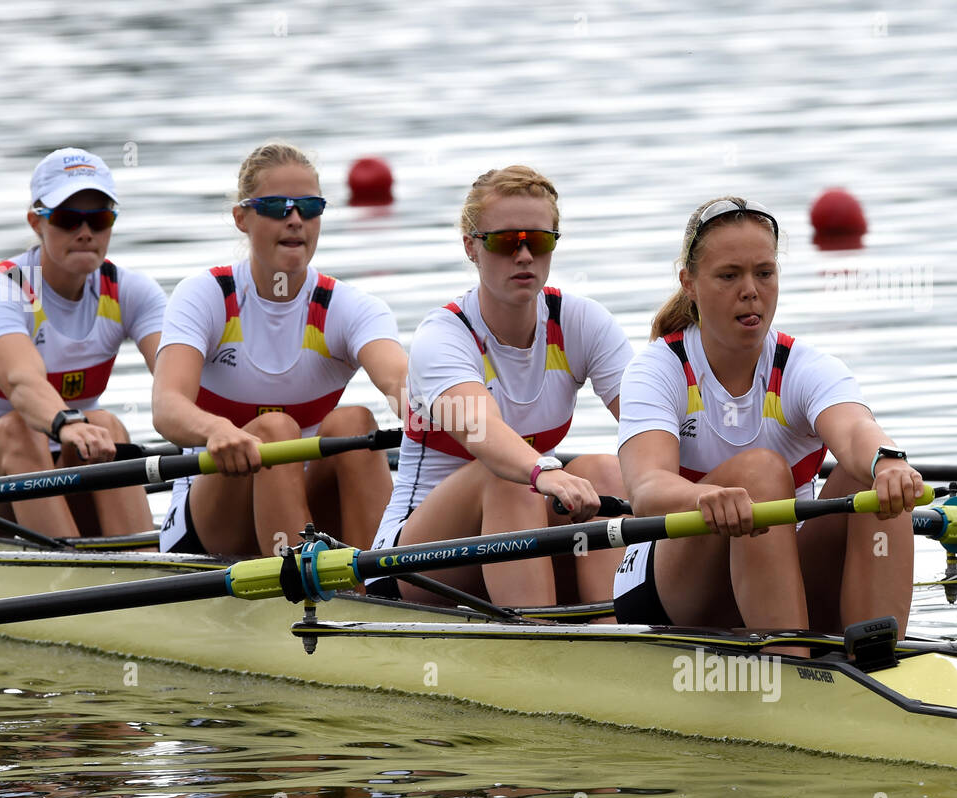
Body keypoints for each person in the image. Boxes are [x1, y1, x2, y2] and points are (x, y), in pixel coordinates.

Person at [614, 196, 924, 635]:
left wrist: (888, 461)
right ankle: (789, 662)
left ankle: (877, 658)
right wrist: (702, 499)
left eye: (764, 273)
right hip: (671, 592)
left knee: (869, 478)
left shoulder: (803, 365)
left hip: (775, 571)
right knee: (759, 473)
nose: (751, 290)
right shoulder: (657, 370)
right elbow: (646, 488)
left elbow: (856, 430)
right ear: (689, 283)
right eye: (729, 275)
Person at [371, 166, 632, 606]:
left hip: (519, 535)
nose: (525, 255)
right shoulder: (443, 335)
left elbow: (649, 426)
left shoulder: (582, 323)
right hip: (416, 565)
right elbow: (481, 430)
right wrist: (542, 471)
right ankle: (538, 642)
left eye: (539, 240)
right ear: (472, 247)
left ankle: (617, 633)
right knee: (511, 479)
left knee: (605, 469)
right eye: (506, 241)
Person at [153, 142, 407, 557]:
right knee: (274, 430)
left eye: (309, 207)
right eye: (276, 207)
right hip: (212, 519)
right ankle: (300, 591)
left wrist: (445, 410)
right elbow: (166, 406)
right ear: (242, 218)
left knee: (355, 424)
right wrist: (218, 431)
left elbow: (400, 380)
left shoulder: (350, 307)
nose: (295, 220)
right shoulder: (207, 296)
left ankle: (375, 592)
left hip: (307, 503)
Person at [0, 147, 165, 537]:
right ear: (36, 222)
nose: (85, 233)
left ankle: (141, 562)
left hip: (67, 472)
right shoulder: (0, 290)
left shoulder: (132, 291)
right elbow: (21, 382)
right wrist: (64, 421)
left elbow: (179, 383)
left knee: (106, 424)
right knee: (22, 428)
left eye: (98, 219)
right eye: (67, 219)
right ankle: (73, 572)